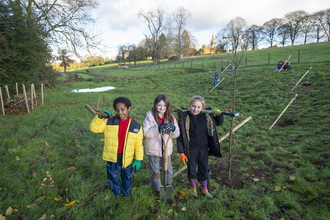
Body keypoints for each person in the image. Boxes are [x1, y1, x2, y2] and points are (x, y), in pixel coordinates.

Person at [89, 96, 143, 197]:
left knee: (127, 175)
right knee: (113, 174)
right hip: (112, 154)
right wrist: (99, 117)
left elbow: (138, 145)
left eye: (123, 109)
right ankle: (116, 192)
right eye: (117, 110)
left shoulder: (136, 126)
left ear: (129, 109)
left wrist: (138, 159)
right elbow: (93, 128)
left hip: (126, 156)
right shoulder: (109, 121)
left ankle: (126, 192)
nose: (120, 112)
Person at [177, 96, 224, 199]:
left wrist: (219, 114)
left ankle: (204, 189)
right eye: (193, 106)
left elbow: (219, 122)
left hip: (204, 148)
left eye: (199, 107)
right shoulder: (184, 118)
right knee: (192, 168)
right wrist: (181, 152)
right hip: (191, 149)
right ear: (189, 106)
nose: (196, 109)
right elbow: (180, 136)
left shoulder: (207, 116)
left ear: (202, 108)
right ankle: (193, 189)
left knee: (204, 168)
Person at [143, 94, 180, 195]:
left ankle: (168, 185)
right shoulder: (149, 117)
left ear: (168, 106)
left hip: (166, 149)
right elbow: (146, 133)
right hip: (153, 150)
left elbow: (176, 134)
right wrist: (158, 128)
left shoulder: (171, 117)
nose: (162, 108)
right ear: (155, 105)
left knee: (168, 170)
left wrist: (173, 129)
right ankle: (157, 189)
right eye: (159, 105)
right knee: (155, 172)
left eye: (164, 106)